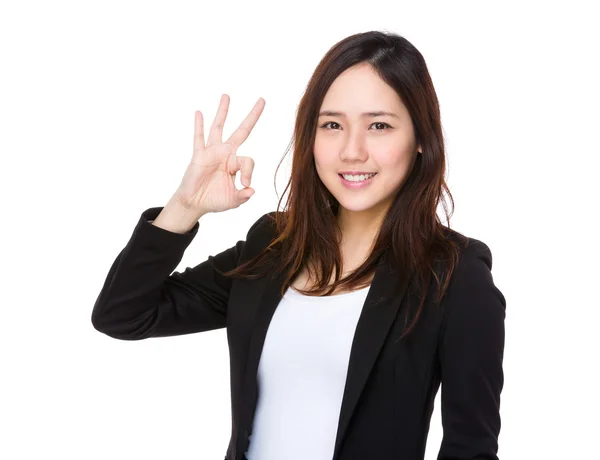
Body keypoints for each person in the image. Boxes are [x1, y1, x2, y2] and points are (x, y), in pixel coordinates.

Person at [92, 30, 506, 460]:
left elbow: (470, 448)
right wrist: (185, 205)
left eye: (379, 125)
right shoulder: (273, 245)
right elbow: (123, 314)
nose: (351, 151)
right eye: (332, 125)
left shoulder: (454, 275)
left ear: (421, 138)